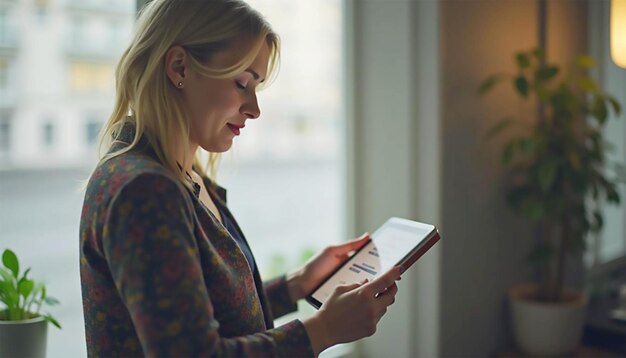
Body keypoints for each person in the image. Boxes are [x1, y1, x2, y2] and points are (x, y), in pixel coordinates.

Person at [79, 0, 401, 356]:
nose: (255, 109)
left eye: (256, 88)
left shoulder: (184, 177)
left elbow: (200, 317)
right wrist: (322, 330)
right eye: (241, 83)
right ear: (179, 66)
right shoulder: (144, 190)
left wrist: (297, 284)